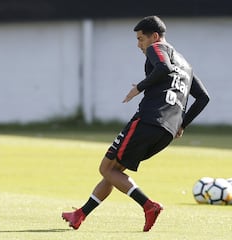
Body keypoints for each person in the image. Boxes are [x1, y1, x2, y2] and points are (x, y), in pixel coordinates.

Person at [62, 15, 210, 232]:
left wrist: (138, 88)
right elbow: (204, 97)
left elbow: (162, 68)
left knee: (106, 168)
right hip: (167, 131)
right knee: (115, 171)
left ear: (155, 36)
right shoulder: (186, 64)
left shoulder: (157, 48)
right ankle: (80, 214)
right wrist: (182, 124)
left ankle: (149, 205)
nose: (139, 45)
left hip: (149, 120)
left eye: (141, 39)